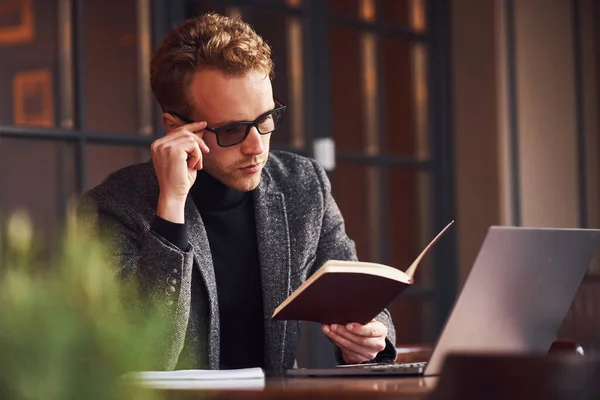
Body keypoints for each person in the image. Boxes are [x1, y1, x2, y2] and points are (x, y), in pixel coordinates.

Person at [79, 12, 397, 373]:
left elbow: (357, 290)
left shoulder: (302, 185)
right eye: (232, 130)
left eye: (265, 119)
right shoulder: (114, 206)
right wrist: (170, 206)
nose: (256, 147)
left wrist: (371, 337)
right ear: (175, 127)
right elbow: (145, 355)